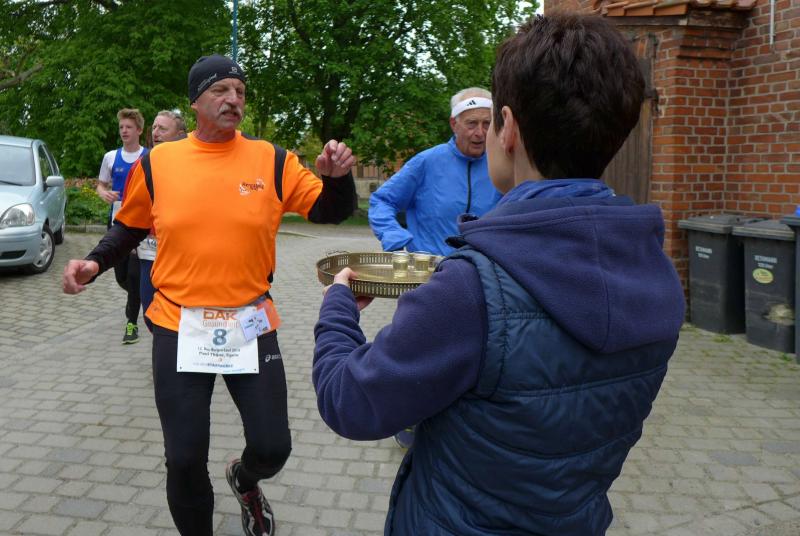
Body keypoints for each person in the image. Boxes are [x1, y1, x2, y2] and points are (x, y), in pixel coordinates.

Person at [313, 13, 685, 536]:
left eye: (489, 124)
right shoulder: (657, 275)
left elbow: (349, 402)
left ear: (507, 128)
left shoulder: (469, 292)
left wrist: (337, 309)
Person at [63, 54, 356, 536]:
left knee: (273, 446)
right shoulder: (160, 162)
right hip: (179, 324)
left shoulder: (272, 159)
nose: (233, 99)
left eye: (240, 91)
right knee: (183, 458)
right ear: (196, 101)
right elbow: (130, 226)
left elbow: (329, 211)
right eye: (221, 90)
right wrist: (93, 263)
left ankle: (245, 478)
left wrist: (338, 178)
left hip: (249, 321)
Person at [368, 87, 501, 257]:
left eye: (487, 124)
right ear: (454, 124)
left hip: (483, 268)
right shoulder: (426, 161)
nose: (480, 133)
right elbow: (382, 200)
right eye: (472, 123)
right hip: (430, 268)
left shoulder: (501, 165)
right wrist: (394, 236)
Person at [96, 108, 148, 344]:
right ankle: (140, 295)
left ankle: (131, 323)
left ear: (139, 130)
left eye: (129, 127)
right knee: (121, 277)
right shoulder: (110, 157)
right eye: (121, 127)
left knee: (134, 275)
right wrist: (103, 194)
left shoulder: (148, 157)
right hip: (117, 223)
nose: (124, 131)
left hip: (140, 226)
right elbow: (101, 185)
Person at [136, 110, 187, 331]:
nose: (156, 133)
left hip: (181, 254)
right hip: (149, 250)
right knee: (150, 314)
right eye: (154, 128)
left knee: (177, 315)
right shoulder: (143, 164)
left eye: (163, 129)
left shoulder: (193, 166)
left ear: (180, 135)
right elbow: (131, 211)